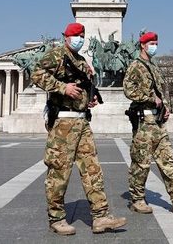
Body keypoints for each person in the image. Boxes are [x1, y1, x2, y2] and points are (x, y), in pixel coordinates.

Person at [31, 22, 127, 236]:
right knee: (59, 172)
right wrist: (62, 87)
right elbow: (37, 74)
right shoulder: (57, 55)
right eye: (76, 35)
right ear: (66, 37)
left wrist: (88, 99)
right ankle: (56, 218)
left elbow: (83, 88)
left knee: (92, 169)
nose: (80, 39)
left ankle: (100, 216)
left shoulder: (82, 61)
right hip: (63, 125)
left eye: (82, 35)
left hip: (82, 123)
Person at [123, 31, 173, 214]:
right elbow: (128, 90)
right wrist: (150, 97)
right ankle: (137, 198)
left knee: (167, 160)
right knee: (141, 163)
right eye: (151, 43)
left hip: (157, 122)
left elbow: (159, 94)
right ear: (143, 45)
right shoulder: (136, 66)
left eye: (156, 43)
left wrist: (164, 108)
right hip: (144, 122)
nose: (154, 46)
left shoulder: (154, 67)